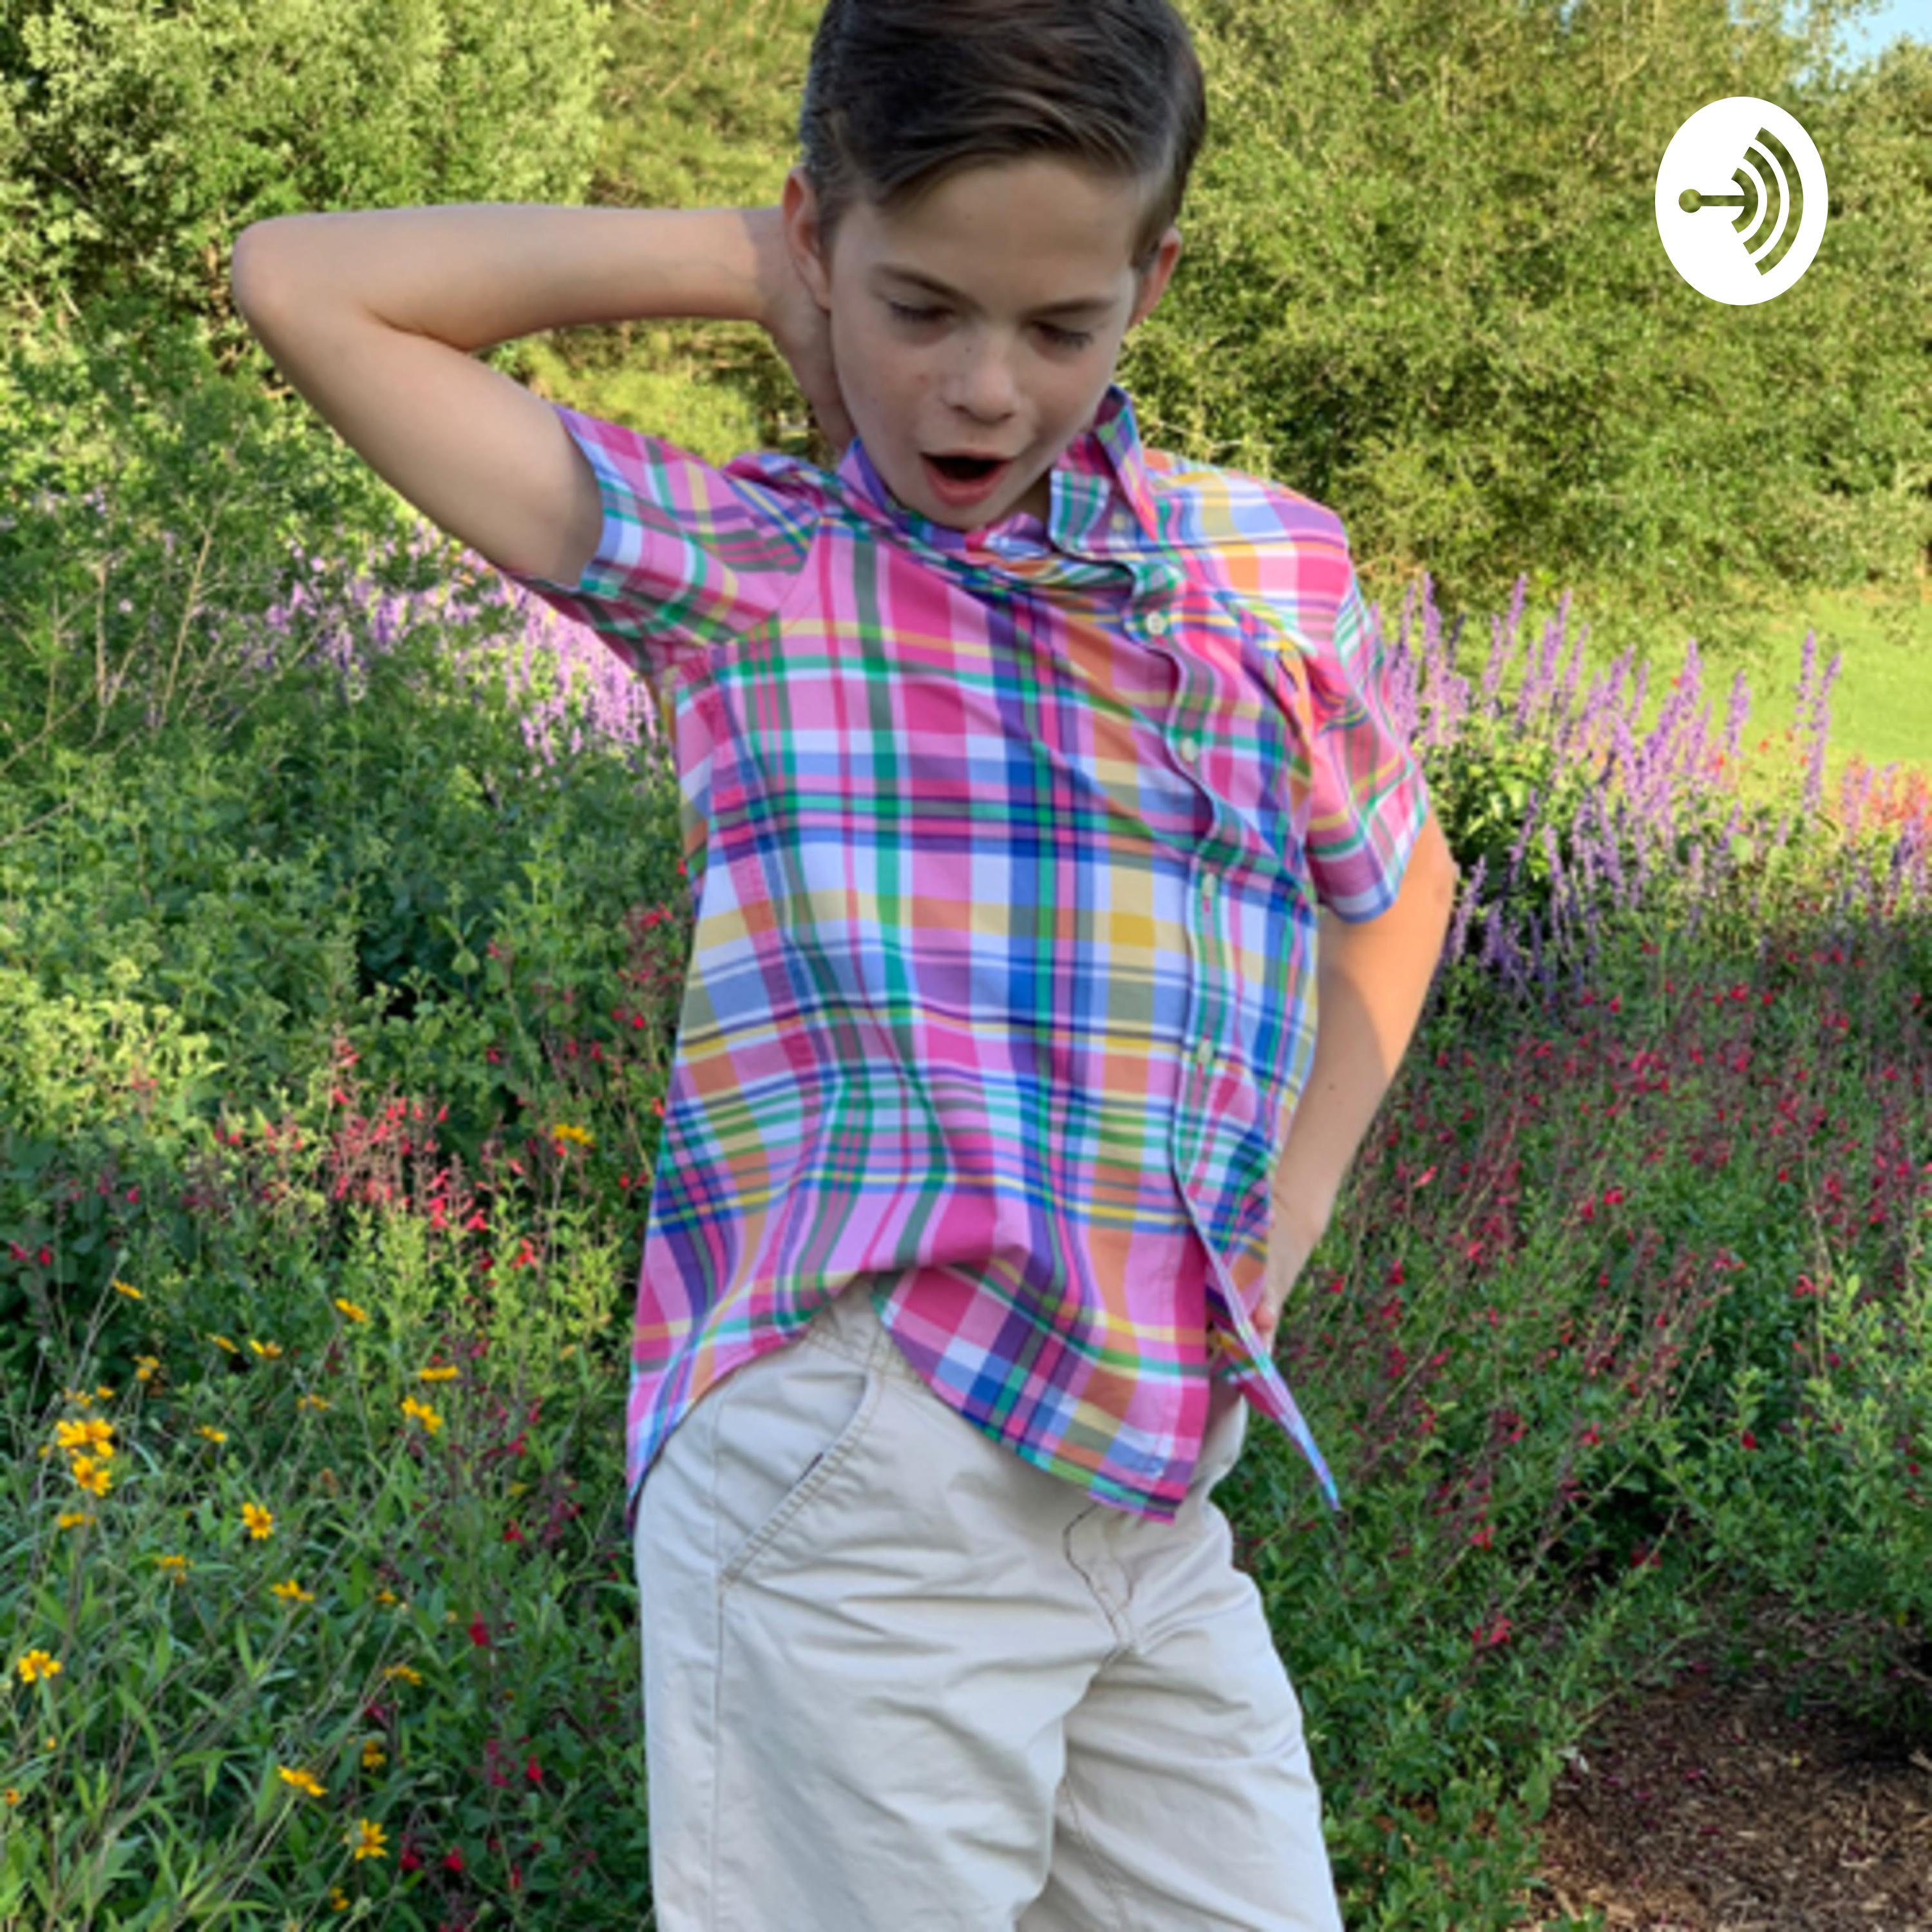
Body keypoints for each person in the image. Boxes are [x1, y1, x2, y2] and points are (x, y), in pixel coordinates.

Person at [230, 1, 1460, 1923]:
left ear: (1152, 281)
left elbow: (1399, 885)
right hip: (864, 1470)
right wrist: (752, 260)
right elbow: (306, 285)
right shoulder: (751, 567)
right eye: (918, 305)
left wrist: (1283, 1231)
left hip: (1150, 1487)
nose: (983, 389)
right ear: (827, 242)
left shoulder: (1261, 571)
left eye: (1061, 326)